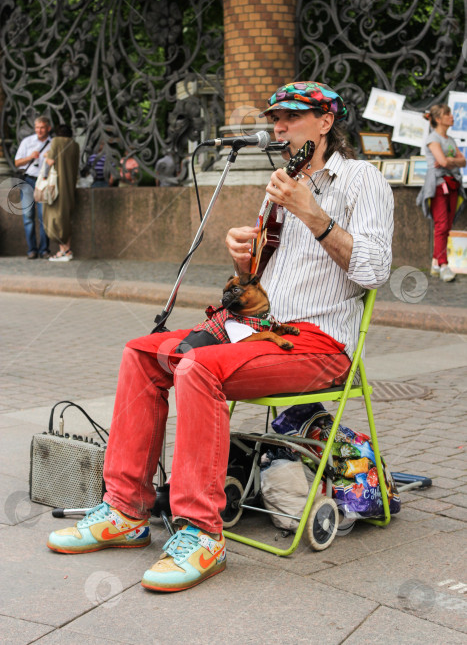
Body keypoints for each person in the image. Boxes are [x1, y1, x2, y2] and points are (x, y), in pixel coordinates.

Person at [47, 81, 394, 593]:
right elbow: (259, 285)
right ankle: (125, 510)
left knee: (199, 367)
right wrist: (243, 258)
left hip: (322, 345)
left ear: (325, 123)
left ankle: (201, 533)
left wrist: (311, 211)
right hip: (260, 330)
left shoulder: (364, 181)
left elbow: (374, 270)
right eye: (274, 118)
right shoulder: (281, 183)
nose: (277, 127)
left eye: (290, 118)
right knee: (142, 354)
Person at [416, 104, 466, 282]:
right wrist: (452, 161)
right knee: (442, 224)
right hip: (438, 185)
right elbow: (443, 162)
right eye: (448, 114)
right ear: (438, 119)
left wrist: (451, 160)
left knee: (447, 225)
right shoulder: (433, 138)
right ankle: (443, 264)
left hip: (452, 184)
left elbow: (462, 161)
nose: (452, 117)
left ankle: (436, 263)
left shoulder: (450, 140)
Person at [14, 116, 52, 259]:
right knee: (28, 216)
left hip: (44, 181)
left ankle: (44, 249)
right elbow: (17, 162)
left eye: (42, 127)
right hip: (28, 180)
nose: (39, 130)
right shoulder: (27, 142)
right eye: (37, 128)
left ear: (48, 128)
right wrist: (30, 157)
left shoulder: (52, 143)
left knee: (44, 217)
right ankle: (32, 249)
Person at [43, 124, 80, 262]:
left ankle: (64, 251)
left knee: (55, 217)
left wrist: (46, 156)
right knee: (66, 216)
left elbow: (51, 161)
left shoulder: (56, 141)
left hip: (56, 185)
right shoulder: (75, 145)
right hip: (70, 185)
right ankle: (66, 250)